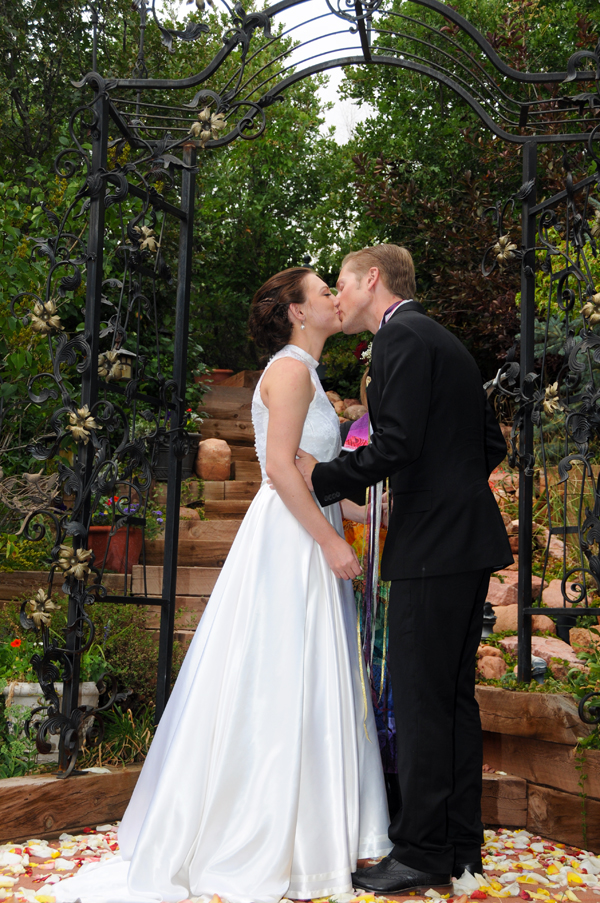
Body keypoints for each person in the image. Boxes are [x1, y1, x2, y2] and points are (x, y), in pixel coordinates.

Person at [54, 267, 391, 903]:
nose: (335, 297)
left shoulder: (307, 373)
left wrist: (366, 513)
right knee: (281, 675)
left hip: (305, 523)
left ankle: (315, 833)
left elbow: (312, 474)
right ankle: (268, 834)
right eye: (324, 291)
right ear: (297, 312)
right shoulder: (289, 372)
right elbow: (278, 470)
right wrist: (329, 541)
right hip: (290, 540)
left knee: (309, 674)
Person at [295, 245, 513, 896]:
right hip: (465, 542)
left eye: (341, 283)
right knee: (451, 700)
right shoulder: (438, 338)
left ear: (372, 280)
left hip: (432, 547)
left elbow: (395, 444)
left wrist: (322, 479)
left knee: (421, 702)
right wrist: (449, 487)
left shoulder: (399, 339)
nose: (337, 295)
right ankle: (458, 845)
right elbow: (491, 443)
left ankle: (420, 851)